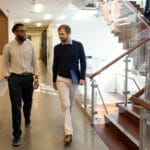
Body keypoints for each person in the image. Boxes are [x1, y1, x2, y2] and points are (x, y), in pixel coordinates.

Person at [2, 23, 39, 146]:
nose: (24, 33)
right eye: (21, 31)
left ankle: (27, 117)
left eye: (25, 31)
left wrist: (37, 78)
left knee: (28, 103)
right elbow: (5, 64)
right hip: (15, 79)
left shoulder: (31, 45)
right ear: (15, 32)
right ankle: (16, 135)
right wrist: (8, 77)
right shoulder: (8, 46)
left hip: (28, 78)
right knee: (15, 107)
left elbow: (35, 62)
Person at [52, 24, 86, 144]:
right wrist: (54, 80)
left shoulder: (78, 45)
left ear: (68, 33)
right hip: (61, 79)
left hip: (74, 79)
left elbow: (83, 61)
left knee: (70, 104)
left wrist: (82, 77)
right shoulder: (57, 48)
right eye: (59, 34)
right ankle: (68, 133)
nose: (60, 36)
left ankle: (67, 121)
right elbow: (55, 64)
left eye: (62, 34)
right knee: (65, 105)